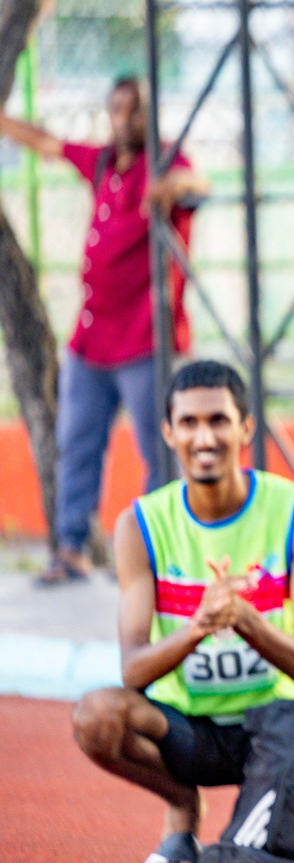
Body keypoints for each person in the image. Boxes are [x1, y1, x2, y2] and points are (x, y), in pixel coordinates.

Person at [68, 361, 294, 863]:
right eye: (190, 423)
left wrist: (244, 619)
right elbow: (133, 670)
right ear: (168, 432)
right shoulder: (140, 524)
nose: (204, 437)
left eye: (219, 420)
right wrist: (201, 625)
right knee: (96, 716)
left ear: (245, 427)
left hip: (272, 723)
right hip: (187, 730)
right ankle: (182, 804)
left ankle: (249, 817)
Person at [0, 77, 208, 584]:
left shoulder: (163, 162)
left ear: (149, 115)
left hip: (144, 338)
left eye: (133, 112)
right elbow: (49, 143)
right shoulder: (100, 163)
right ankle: (70, 549)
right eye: (116, 111)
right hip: (92, 339)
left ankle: (156, 555)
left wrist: (173, 189)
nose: (123, 121)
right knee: (77, 443)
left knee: (158, 449)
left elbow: (197, 186)